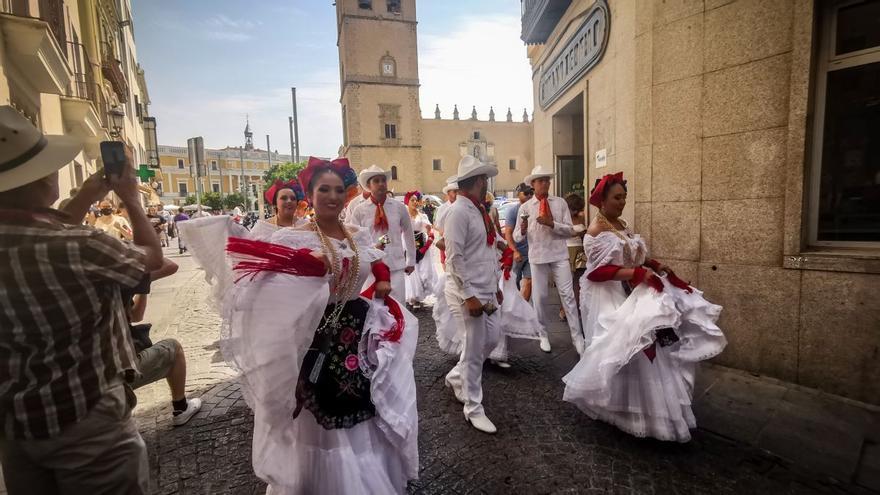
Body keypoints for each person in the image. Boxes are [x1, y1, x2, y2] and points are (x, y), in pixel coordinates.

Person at [181, 156, 419, 493]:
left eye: (339, 189)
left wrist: (381, 284)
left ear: (347, 194)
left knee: (358, 407)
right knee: (316, 415)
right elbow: (264, 295)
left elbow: (374, 263)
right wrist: (309, 279)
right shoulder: (292, 238)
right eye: (324, 189)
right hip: (312, 338)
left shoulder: (358, 233)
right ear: (309, 194)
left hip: (355, 334)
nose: (332, 196)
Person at [0, 106, 162, 494]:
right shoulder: (80, 245)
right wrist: (131, 200)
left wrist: (88, 195)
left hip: (16, 423)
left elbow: (37, 227)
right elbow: (151, 259)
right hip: (87, 415)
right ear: (41, 179)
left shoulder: (59, 239)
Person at [562, 172, 726, 442]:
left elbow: (632, 254)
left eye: (624, 197)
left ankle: (637, 408)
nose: (622, 202)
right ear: (602, 200)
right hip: (603, 293)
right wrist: (637, 275)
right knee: (620, 343)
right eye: (617, 197)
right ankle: (613, 404)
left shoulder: (620, 224)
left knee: (640, 341)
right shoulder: (595, 231)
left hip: (624, 288)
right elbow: (596, 273)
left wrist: (654, 264)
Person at [442, 156, 504, 435]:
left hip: (485, 288)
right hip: (465, 292)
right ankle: (473, 408)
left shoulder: (479, 210)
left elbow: (485, 251)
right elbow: (454, 259)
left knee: (490, 339)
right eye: (485, 180)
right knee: (475, 349)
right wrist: (468, 295)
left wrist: (495, 285)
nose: (486, 183)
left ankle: (457, 377)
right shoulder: (458, 212)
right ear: (479, 181)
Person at [513, 165, 584, 355]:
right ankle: (543, 334)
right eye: (541, 180)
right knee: (540, 297)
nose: (545, 183)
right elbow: (518, 237)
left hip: (559, 253)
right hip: (537, 256)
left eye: (547, 180)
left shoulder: (559, 203)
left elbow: (570, 230)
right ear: (533, 184)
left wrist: (552, 223)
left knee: (568, 296)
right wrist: (522, 228)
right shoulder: (525, 207)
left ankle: (577, 337)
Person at [127, 259, 203, 425]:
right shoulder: (114, 275)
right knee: (173, 348)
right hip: (116, 373)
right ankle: (180, 408)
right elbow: (169, 265)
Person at [350, 164, 417, 300]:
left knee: (398, 308)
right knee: (372, 309)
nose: (381, 184)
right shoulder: (360, 210)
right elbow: (354, 239)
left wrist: (411, 260)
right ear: (369, 185)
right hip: (371, 267)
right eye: (376, 181)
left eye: (383, 180)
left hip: (395, 265)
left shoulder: (399, 207)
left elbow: (409, 233)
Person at [403, 190, 436, 308]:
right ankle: (413, 297)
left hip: (421, 245)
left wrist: (427, 240)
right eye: (412, 200)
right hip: (407, 244)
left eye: (416, 200)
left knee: (424, 272)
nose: (415, 202)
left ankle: (420, 295)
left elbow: (430, 232)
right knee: (412, 271)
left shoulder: (423, 216)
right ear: (407, 202)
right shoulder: (404, 216)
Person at [504, 183, 534, 300]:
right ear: (518, 194)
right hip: (517, 253)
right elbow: (508, 233)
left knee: (529, 281)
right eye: (526, 193)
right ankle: (515, 307)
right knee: (513, 283)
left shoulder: (534, 208)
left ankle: (524, 309)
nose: (529, 195)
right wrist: (515, 251)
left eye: (531, 193)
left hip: (532, 253)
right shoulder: (513, 211)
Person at [561, 193, 588, 321]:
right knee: (567, 283)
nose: (577, 211)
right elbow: (561, 233)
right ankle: (565, 310)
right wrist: (579, 232)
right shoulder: (562, 218)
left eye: (579, 208)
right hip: (567, 250)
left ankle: (575, 308)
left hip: (580, 250)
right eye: (575, 208)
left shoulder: (581, 217)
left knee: (577, 283)